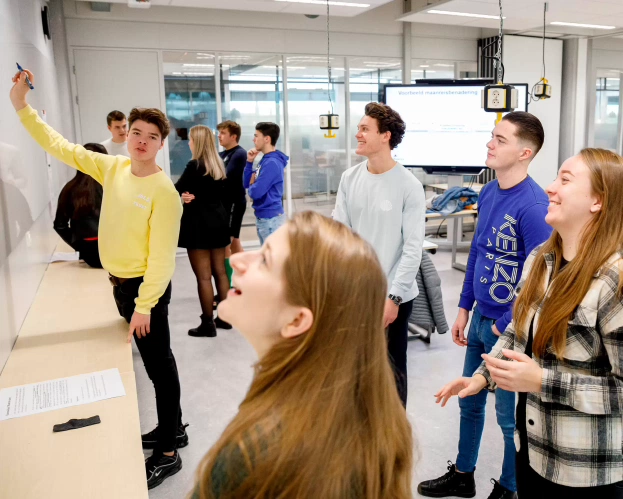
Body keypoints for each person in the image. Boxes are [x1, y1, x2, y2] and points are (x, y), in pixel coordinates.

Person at [10, 69, 186, 490]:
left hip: (146, 289)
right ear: (127, 136)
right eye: (136, 133)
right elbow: (60, 146)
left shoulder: (164, 193)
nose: (141, 141)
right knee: (157, 364)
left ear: (162, 145)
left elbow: (163, 259)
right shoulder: (114, 168)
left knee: (159, 368)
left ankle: (168, 452)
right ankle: (172, 429)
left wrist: (144, 304)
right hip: (121, 286)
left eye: (150, 136)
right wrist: (21, 106)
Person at [434, 148, 623, 498]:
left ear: (598, 200)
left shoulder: (614, 279)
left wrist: (541, 381)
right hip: (533, 452)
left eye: (565, 180)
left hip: (585, 470)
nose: (550, 188)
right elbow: (517, 331)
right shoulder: (541, 259)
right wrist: (483, 375)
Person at [190, 211, 413, 499]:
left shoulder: (252, 454)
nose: (237, 260)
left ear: (297, 320)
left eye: (265, 260)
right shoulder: (373, 427)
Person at [417, 112, 553, 499]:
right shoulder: (490, 191)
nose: (489, 144)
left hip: (508, 332)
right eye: (491, 137)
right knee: (470, 399)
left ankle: (509, 488)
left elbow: (539, 281)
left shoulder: (535, 206)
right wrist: (463, 308)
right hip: (479, 317)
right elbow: (478, 250)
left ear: (524, 152)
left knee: (508, 418)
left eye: (500, 139)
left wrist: (503, 325)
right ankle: (464, 474)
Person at [333, 102, 426, 407]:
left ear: (385, 136)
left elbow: (412, 249)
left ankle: (393, 443)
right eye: (359, 128)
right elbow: (339, 236)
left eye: (364, 129)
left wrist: (394, 298)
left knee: (391, 371)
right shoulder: (349, 179)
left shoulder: (408, 185)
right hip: (356, 294)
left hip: (392, 297)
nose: (357, 134)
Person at [176, 125, 231, 337]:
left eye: (190, 139)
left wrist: (184, 196)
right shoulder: (218, 164)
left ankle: (207, 324)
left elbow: (175, 189)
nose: (188, 143)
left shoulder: (194, 165)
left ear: (196, 142)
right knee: (220, 272)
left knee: (204, 278)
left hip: (198, 224)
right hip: (218, 222)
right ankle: (225, 318)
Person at [53, 143, 106, 268]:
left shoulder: (70, 188)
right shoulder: (111, 185)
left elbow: (60, 226)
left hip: (89, 254)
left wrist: (80, 246)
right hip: (113, 251)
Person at [243, 122, 288, 245]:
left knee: (272, 262)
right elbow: (246, 183)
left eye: (256, 136)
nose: (254, 140)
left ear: (267, 139)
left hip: (271, 220)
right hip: (265, 219)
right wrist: (249, 162)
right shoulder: (265, 159)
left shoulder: (272, 163)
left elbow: (255, 192)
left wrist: (253, 185)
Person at [217, 120, 247, 284]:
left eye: (223, 133)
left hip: (234, 203)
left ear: (233, 136)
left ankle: (230, 283)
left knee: (227, 244)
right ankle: (244, 278)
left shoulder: (239, 154)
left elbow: (225, 177)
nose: (219, 137)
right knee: (234, 241)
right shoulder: (222, 154)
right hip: (224, 204)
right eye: (219, 133)